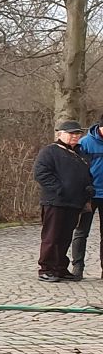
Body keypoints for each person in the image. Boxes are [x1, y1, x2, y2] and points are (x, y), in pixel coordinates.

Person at [34, 120, 92, 282]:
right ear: (60, 134)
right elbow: (41, 173)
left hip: (74, 202)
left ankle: (59, 267)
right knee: (52, 237)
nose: (75, 136)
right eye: (71, 133)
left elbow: (85, 174)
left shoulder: (79, 153)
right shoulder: (50, 151)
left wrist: (88, 187)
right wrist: (60, 189)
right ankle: (46, 269)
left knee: (65, 237)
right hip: (55, 202)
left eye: (77, 133)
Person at [69, 116, 103, 278]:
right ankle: (78, 267)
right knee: (81, 231)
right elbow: (76, 168)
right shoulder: (85, 143)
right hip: (89, 194)